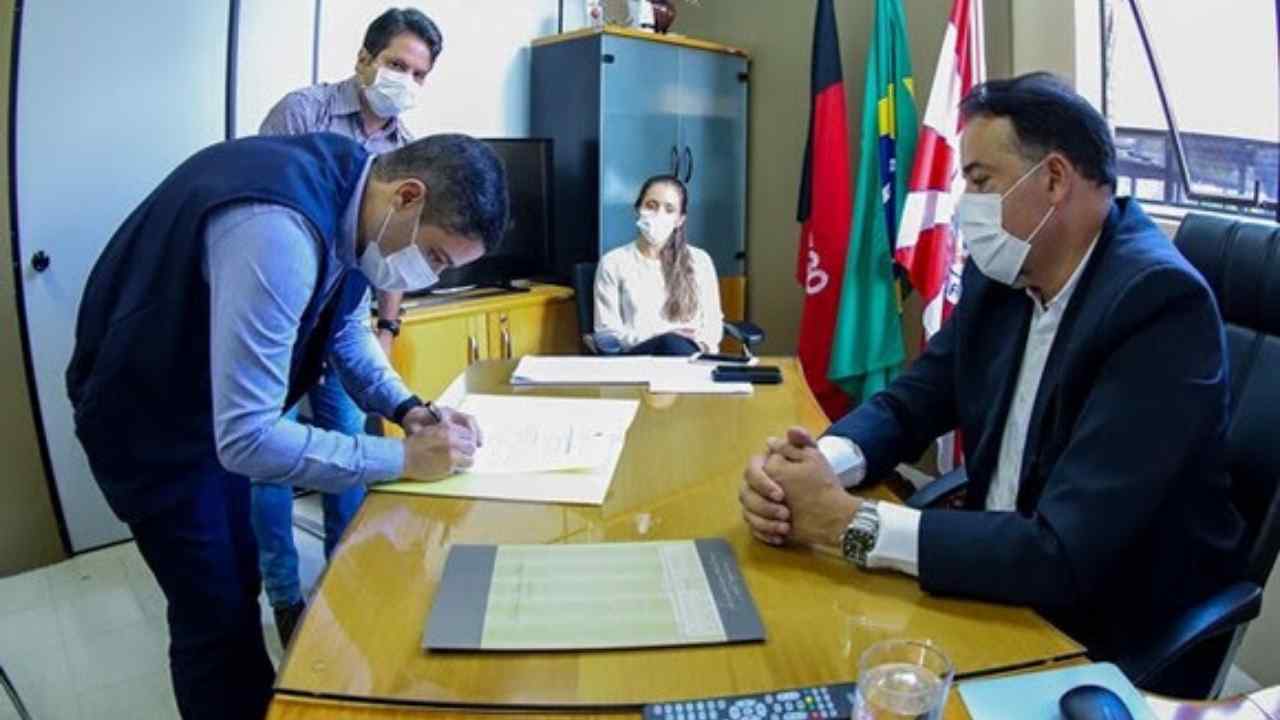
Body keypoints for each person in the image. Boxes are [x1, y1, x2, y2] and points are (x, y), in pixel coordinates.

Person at [737, 73, 1243, 666]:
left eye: (980, 181)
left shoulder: (1157, 307)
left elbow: (1063, 552)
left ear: (1053, 179)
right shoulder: (1004, 275)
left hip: (1093, 629)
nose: (963, 205)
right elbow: (912, 401)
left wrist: (853, 524)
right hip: (989, 581)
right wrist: (813, 470)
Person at [66, 131, 507, 720]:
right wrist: (404, 460)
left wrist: (409, 410)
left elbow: (344, 329)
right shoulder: (275, 231)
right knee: (211, 610)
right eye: (435, 257)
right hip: (151, 424)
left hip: (210, 411)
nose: (427, 274)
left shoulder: (360, 198)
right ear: (407, 196)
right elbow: (248, 438)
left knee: (236, 576)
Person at [254, 6, 442, 646]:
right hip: (279, 316)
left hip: (346, 319)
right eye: (396, 65)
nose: (404, 81)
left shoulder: (406, 148)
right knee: (270, 461)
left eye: (418, 74)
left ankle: (345, 575)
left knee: (348, 449)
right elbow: (264, 215)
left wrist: (387, 328)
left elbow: (394, 250)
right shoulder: (301, 113)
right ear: (364, 59)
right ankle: (284, 595)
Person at [593, 175, 724, 355]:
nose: (658, 214)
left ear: (680, 220)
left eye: (669, 209)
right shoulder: (613, 262)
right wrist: (662, 336)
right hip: (639, 358)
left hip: (692, 357)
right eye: (651, 205)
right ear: (638, 210)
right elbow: (607, 333)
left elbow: (713, 324)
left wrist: (701, 345)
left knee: (676, 346)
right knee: (670, 343)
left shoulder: (700, 261)